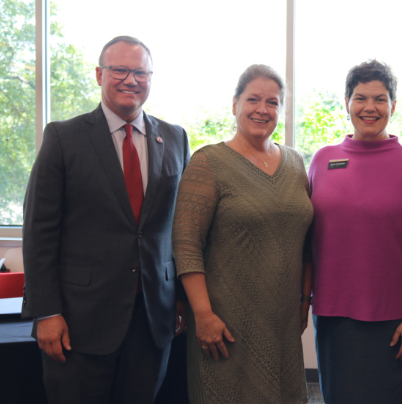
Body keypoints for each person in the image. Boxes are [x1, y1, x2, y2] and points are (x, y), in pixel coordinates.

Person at [22, 36, 189, 404]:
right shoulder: (64, 137)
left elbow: (180, 228)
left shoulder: (175, 138)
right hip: (81, 322)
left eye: (141, 72)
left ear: (151, 78)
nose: (131, 80)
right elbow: (39, 232)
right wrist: (46, 311)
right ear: (100, 74)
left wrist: (180, 296)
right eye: (120, 70)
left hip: (152, 319)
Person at [305, 59, 402, 403]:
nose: (369, 107)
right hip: (333, 318)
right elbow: (306, 242)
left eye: (380, 98)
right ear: (346, 103)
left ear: (393, 104)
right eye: (360, 98)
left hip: (395, 320)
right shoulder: (322, 161)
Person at [172, 64, 313, 404]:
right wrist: (202, 315)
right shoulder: (208, 162)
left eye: (273, 102)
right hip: (225, 323)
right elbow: (186, 243)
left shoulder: (296, 164)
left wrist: (304, 302)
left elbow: (306, 242)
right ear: (235, 104)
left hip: (281, 321)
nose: (262, 109)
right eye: (253, 99)